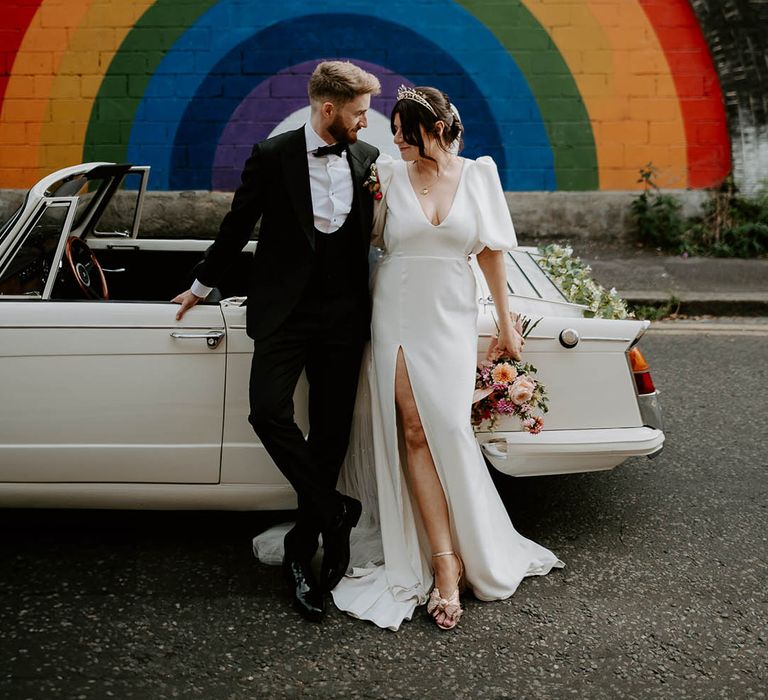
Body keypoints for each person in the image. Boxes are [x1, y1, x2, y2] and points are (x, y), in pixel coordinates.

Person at [328, 86, 564, 631]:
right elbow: (356, 242)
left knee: (451, 428)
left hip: (452, 315)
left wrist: (507, 327)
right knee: (412, 430)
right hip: (397, 308)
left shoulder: (479, 175)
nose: (393, 140)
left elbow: (491, 255)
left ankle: (475, 544)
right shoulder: (386, 176)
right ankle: (443, 563)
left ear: (432, 130)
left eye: (403, 132)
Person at [172, 61, 382, 622]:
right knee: (267, 411)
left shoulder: (367, 159)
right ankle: (336, 509)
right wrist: (200, 285)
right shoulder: (272, 156)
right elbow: (236, 227)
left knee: (332, 431)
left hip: (344, 317)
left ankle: (308, 545)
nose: (367, 123)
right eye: (360, 113)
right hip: (284, 314)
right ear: (329, 109)